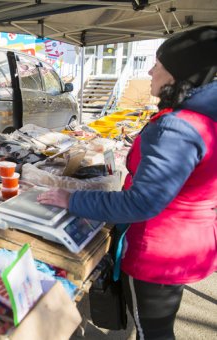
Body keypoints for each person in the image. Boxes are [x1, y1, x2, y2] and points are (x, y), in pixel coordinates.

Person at [38, 26, 217, 339]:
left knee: (153, 330)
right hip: (190, 240)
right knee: (160, 324)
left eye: (158, 64)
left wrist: (71, 199)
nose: (150, 70)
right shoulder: (205, 115)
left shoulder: (179, 127)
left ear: (177, 74)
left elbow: (142, 202)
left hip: (161, 249)